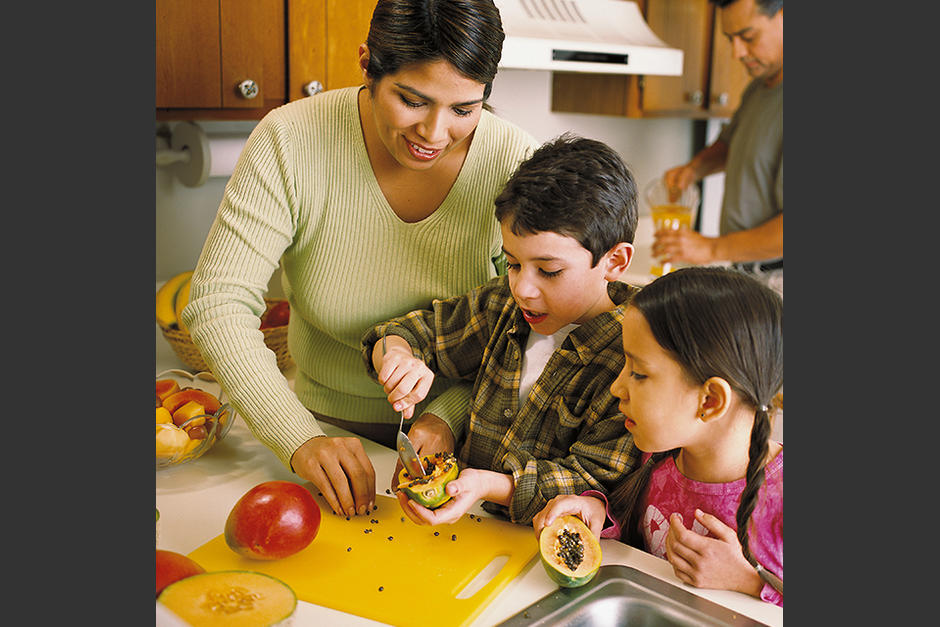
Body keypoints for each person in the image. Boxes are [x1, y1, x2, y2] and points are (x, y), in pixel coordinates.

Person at [182, 0, 540, 519]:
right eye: (412, 100)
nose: (435, 133)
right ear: (367, 63)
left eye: (465, 109)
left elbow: (529, 330)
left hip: (468, 448)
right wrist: (299, 438)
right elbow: (217, 303)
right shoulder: (290, 140)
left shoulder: (514, 163)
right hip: (317, 428)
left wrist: (443, 418)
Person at [362, 133, 641, 525]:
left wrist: (489, 486)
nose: (523, 289)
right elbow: (409, 333)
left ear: (615, 261)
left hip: (536, 546)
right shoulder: (502, 306)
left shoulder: (637, 355)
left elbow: (593, 480)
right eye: (512, 264)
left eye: (549, 271)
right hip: (472, 528)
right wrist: (397, 356)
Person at [532, 267, 783, 606]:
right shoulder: (658, 457)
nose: (616, 387)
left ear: (710, 401)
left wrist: (749, 583)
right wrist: (597, 514)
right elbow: (639, 535)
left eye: (638, 373)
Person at [653, 0, 783, 295]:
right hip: (750, 276)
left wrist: (711, 248)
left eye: (748, 37)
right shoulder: (759, 88)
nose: (737, 52)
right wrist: (694, 168)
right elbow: (731, 144)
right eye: (730, 39)